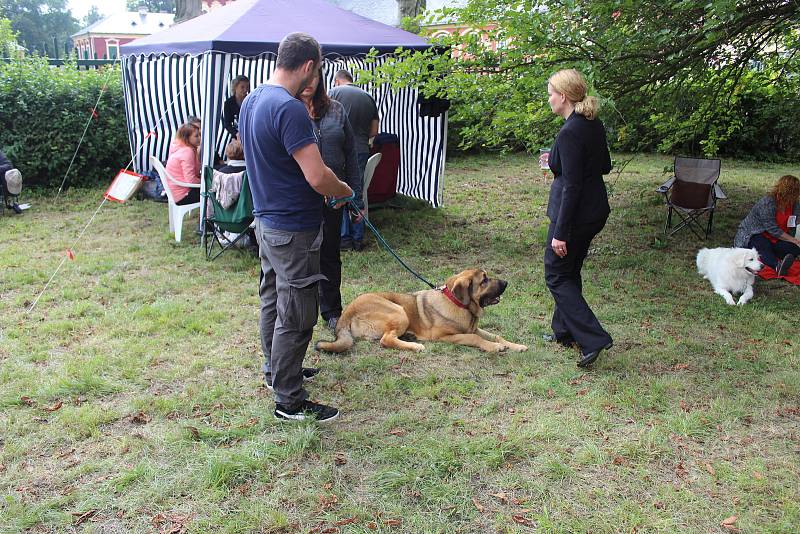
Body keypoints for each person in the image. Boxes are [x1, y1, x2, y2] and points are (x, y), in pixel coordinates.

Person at [239, 32, 353, 423]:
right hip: (293, 228)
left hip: (267, 222)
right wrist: (344, 188)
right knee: (298, 311)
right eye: (317, 70)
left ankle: (277, 372)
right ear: (308, 66)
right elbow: (317, 176)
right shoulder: (288, 108)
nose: (316, 78)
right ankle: (289, 400)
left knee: (272, 298)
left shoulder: (253, 98)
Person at [542, 69, 613, 369]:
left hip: (574, 215)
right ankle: (564, 331)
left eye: (550, 94)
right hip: (594, 211)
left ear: (564, 97)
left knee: (556, 274)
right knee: (569, 271)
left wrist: (561, 232)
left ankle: (593, 338)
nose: (549, 99)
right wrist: (556, 162)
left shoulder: (570, 131)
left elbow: (572, 186)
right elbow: (604, 165)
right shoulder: (591, 124)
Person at [299, 68, 360, 332]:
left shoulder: (336, 109)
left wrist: (357, 197)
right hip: (301, 200)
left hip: (334, 199)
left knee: (330, 256)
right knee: (302, 259)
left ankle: (332, 311)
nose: (310, 83)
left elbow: (352, 155)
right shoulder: (291, 110)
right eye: (306, 77)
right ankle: (303, 314)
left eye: (315, 77)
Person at [329, 69, 379, 251]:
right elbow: (374, 131)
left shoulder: (333, 94)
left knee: (340, 189)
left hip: (340, 150)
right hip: (361, 149)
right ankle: (358, 239)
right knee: (356, 190)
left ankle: (344, 239)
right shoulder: (368, 97)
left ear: (336, 81)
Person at [733, 175, 800, 276]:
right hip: (756, 234)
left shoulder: (795, 204)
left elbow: (793, 224)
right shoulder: (768, 202)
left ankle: (781, 256)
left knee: (794, 249)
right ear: (787, 192)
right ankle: (777, 266)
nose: (797, 196)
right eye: (795, 193)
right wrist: (794, 240)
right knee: (763, 246)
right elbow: (772, 229)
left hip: (778, 238)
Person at [164, 121, 201, 205]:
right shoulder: (187, 151)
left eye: (199, 135)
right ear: (187, 138)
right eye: (196, 136)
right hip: (183, 195)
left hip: (174, 193)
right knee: (214, 192)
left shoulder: (178, 146)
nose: (200, 138)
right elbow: (191, 180)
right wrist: (206, 181)